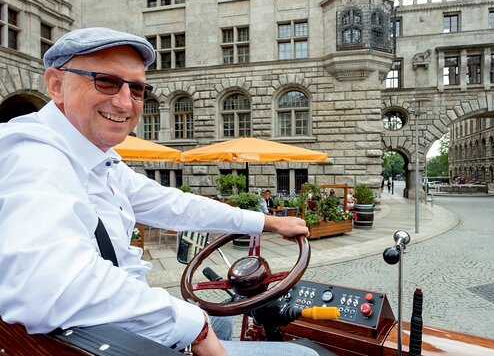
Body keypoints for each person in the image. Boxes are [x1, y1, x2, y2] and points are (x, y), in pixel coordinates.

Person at [0, 27, 317, 356]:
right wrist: (196, 327)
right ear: (56, 85)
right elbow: (52, 287)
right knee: (304, 354)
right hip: (107, 342)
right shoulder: (33, 156)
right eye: (105, 81)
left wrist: (265, 223)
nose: (125, 102)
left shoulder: (93, 159)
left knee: (220, 322)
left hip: (107, 331)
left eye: (137, 89)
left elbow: (174, 205)